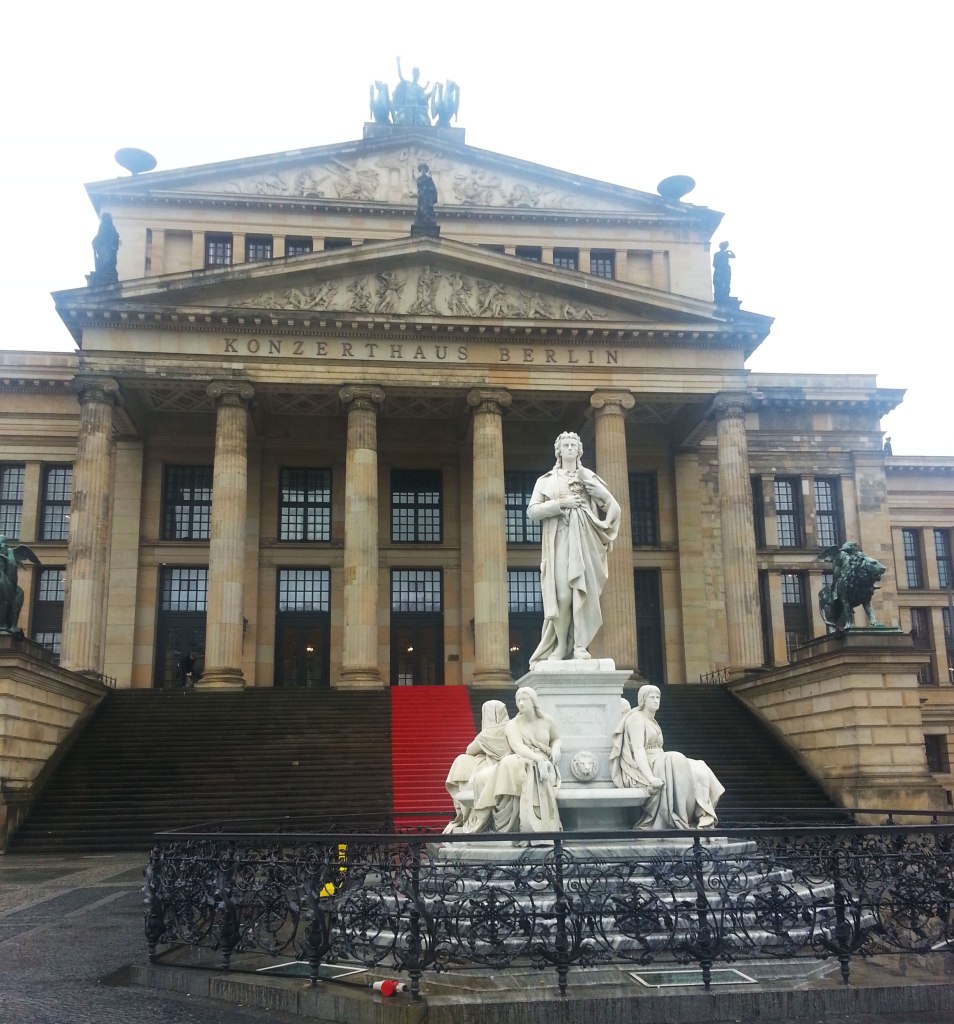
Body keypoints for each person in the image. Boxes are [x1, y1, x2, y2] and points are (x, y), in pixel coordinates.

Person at [527, 432, 621, 664]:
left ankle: (580, 646)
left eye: (573, 445)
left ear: (579, 450)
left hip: (585, 538)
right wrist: (561, 504)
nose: (569, 448)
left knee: (583, 592)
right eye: (565, 445)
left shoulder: (588, 476)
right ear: (558, 451)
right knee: (562, 595)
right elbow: (532, 512)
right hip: (559, 540)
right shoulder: (546, 480)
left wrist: (595, 492)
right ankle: (560, 646)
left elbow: (610, 505)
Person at [610, 684, 724, 829]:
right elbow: (638, 750)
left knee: (699, 765)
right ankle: (680, 817)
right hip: (644, 764)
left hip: (659, 758)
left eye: (658, 697)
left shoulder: (652, 721)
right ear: (643, 700)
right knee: (676, 758)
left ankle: (703, 815)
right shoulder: (636, 719)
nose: (656, 700)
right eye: (652, 697)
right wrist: (650, 778)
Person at [474, 686, 562, 833]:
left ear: (533, 701)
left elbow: (556, 739)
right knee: (508, 764)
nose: (521, 703)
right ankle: (512, 823)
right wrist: (537, 760)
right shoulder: (512, 724)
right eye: (518, 700)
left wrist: (556, 748)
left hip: (545, 761)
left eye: (524, 699)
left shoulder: (547, 720)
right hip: (525, 758)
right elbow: (518, 747)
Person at [443, 700, 511, 834]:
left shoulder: (487, 734)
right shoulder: (512, 727)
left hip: (496, 766)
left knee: (462, 760)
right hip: (506, 765)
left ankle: (466, 814)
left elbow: (470, 750)